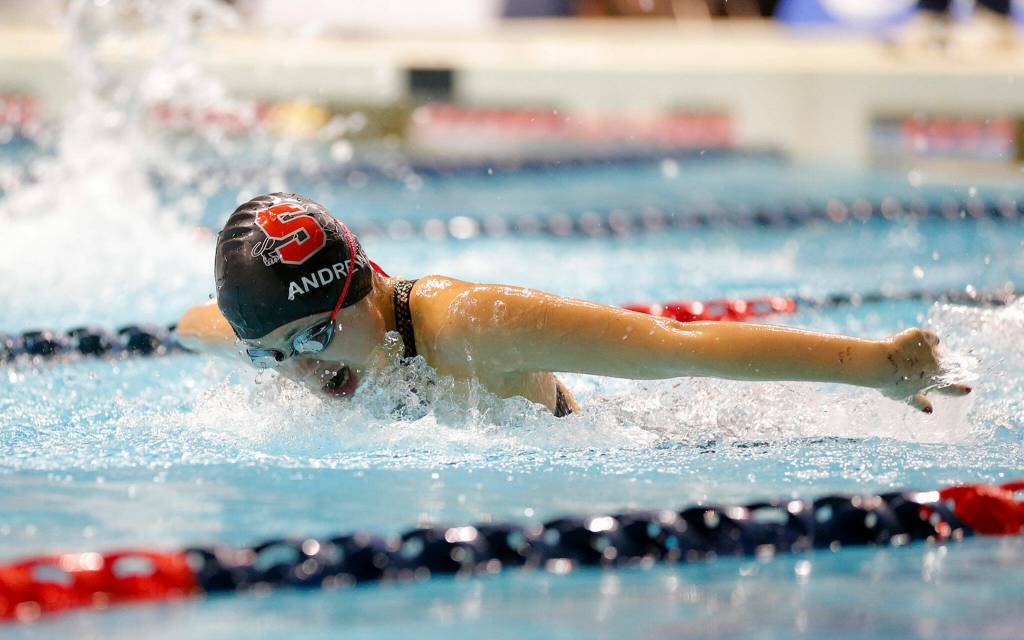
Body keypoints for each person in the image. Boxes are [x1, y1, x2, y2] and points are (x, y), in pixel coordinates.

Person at [177, 192, 971, 417]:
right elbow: (193, 326)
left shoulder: (469, 325)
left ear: (361, 284)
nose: (302, 370)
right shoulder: (283, 338)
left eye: (317, 336)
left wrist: (876, 369)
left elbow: (674, 347)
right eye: (271, 357)